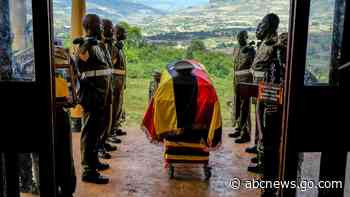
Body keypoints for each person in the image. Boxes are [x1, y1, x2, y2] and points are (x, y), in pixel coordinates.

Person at [73, 13, 110, 184]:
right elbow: (79, 56)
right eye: (98, 26)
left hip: (100, 96)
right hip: (91, 96)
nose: (101, 28)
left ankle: (93, 161)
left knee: (96, 131)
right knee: (90, 132)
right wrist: (86, 41)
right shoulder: (84, 45)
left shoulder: (97, 46)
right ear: (89, 27)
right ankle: (88, 170)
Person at [96, 18, 118, 160]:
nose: (111, 31)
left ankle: (104, 141)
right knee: (98, 124)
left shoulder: (104, 46)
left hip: (107, 88)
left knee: (107, 119)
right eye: (107, 28)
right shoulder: (93, 46)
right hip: (97, 93)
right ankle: (99, 148)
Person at [229, 30, 255, 144]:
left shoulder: (250, 50)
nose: (240, 38)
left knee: (245, 107)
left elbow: (254, 66)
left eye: (242, 37)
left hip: (245, 80)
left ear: (246, 37)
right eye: (238, 36)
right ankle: (239, 129)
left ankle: (246, 133)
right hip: (236, 80)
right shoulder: (236, 48)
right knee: (238, 105)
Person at [110, 23, 128, 138]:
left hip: (120, 80)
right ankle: (111, 131)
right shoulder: (114, 48)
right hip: (115, 81)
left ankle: (116, 127)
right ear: (117, 34)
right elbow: (111, 65)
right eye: (124, 32)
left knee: (119, 105)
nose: (126, 34)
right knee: (115, 105)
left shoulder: (119, 47)